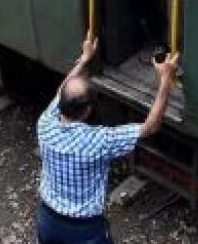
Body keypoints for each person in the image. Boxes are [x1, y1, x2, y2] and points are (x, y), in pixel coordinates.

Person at [36, 38, 179, 244]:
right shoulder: (98, 141)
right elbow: (150, 127)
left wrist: (84, 59)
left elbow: (62, 90)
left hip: (48, 222)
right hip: (84, 232)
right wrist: (165, 79)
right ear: (87, 111)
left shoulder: (45, 122)